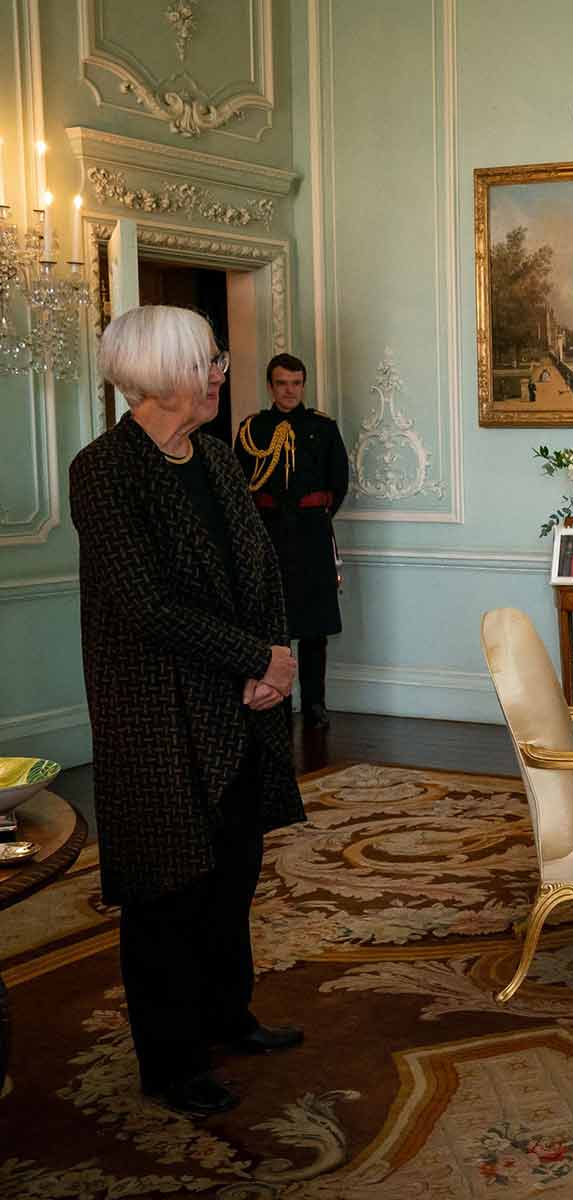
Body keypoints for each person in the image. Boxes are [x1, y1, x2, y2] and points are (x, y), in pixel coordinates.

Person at [69, 306, 307, 1119]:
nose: (219, 374)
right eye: (208, 361)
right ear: (166, 369)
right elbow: (146, 605)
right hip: (157, 713)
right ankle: (169, 1062)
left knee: (234, 872)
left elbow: (260, 571)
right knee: (167, 890)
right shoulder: (104, 470)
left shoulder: (211, 456)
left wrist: (275, 659)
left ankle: (226, 1017)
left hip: (239, 703)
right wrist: (257, 660)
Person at [235, 353, 349, 730]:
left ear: (303, 385)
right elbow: (239, 487)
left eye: (296, 383)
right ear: (271, 386)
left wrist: (316, 520)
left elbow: (339, 483)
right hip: (268, 537)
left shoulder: (323, 428)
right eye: (282, 383)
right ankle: (277, 702)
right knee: (274, 627)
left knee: (314, 629)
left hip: (312, 535)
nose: (289, 390)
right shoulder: (253, 430)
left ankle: (316, 703)